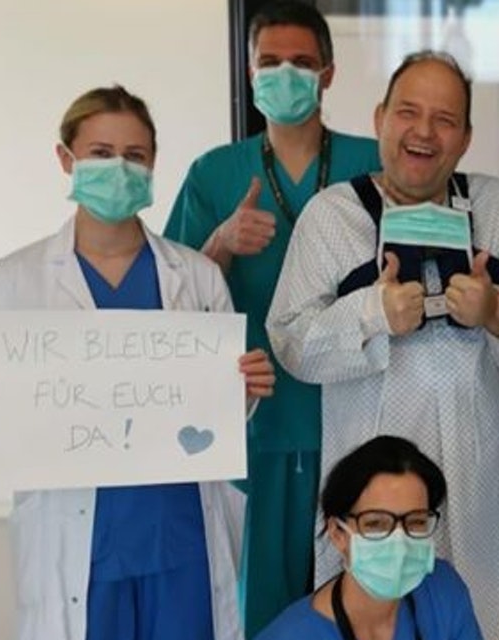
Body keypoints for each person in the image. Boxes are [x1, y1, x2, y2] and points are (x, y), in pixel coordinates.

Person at [0, 85, 276, 640]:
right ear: (65, 158)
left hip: (181, 540)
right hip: (78, 547)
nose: (119, 168)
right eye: (100, 153)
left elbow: (217, 416)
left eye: (134, 155)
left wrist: (244, 390)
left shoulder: (195, 277)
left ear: (153, 165)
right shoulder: (18, 279)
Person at [267, 50, 499, 640]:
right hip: (374, 504)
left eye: (445, 119)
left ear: (466, 138)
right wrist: (370, 314)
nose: (424, 132)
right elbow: (290, 343)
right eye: (408, 112)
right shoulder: (332, 217)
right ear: (379, 118)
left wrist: (498, 319)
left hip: (485, 491)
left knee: (490, 619)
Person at [163, 2, 381, 634]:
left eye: (302, 63)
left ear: (328, 74)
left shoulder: (373, 165)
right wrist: (220, 244)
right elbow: (171, 309)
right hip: (257, 420)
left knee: (359, 602)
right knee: (263, 610)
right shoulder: (214, 174)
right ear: (250, 72)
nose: (285, 75)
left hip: (355, 412)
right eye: (271, 62)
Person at [256, 435, 482, 640]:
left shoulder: (442, 590)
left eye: (416, 521)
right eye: (376, 524)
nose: (400, 543)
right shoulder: (290, 635)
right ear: (337, 533)